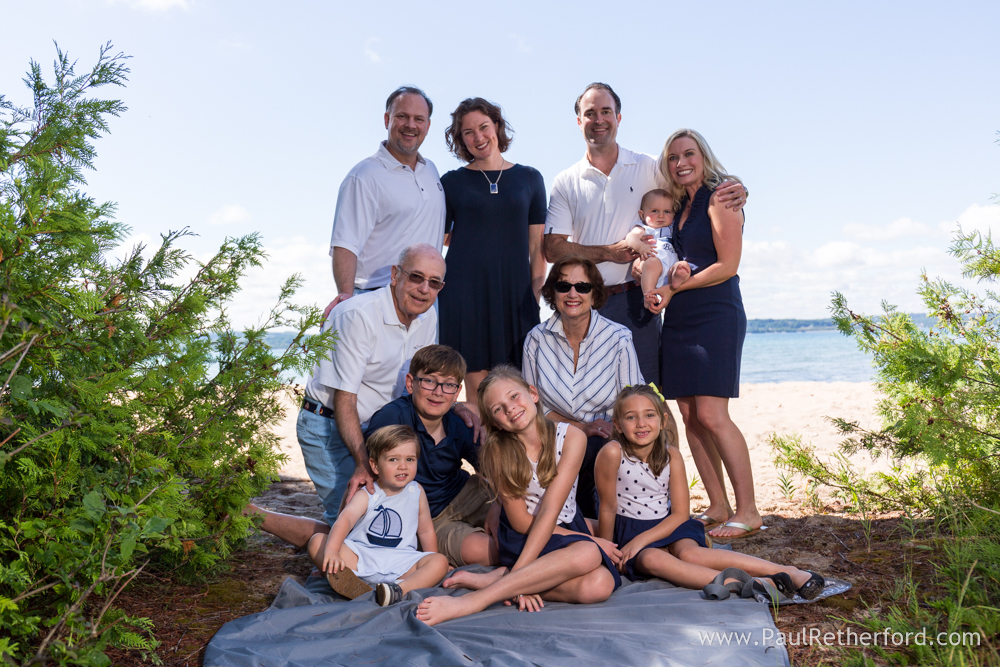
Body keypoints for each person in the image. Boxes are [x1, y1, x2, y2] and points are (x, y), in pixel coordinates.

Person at [543, 82, 747, 385]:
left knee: (649, 397)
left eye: (606, 111)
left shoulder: (651, 167)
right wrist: (610, 251)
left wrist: (737, 189)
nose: (599, 120)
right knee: (586, 396)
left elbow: (694, 183)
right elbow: (553, 249)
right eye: (590, 113)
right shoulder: (565, 181)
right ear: (578, 121)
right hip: (583, 303)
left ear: (618, 117)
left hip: (636, 301)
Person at [415, 366, 621, 627]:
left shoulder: (572, 437)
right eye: (498, 409)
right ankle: (474, 601)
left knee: (599, 585)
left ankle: (506, 579)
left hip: (562, 528)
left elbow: (552, 509)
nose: (510, 408)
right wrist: (585, 542)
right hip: (523, 538)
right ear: (495, 422)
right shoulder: (499, 454)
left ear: (532, 393)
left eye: (514, 396)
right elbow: (523, 522)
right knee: (590, 553)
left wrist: (579, 537)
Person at [595, 385, 825, 600]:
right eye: (631, 417)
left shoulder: (671, 456)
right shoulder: (613, 452)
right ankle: (754, 583)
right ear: (617, 425)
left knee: (691, 555)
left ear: (663, 420)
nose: (641, 423)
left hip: (668, 526)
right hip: (630, 531)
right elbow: (607, 507)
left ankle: (788, 572)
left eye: (649, 415)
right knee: (652, 559)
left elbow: (679, 514)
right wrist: (609, 553)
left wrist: (642, 540)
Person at [650, 129, 758, 539]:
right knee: (691, 416)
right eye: (673, 157)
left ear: (703, 156)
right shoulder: (679, 205)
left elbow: (727, 265)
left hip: (715, 313)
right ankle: (717, 504)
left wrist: (673, 288)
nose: (681, 162)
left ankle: (748, 510)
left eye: (689, 154)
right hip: (679, 317)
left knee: (713, 414)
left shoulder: (721, 196)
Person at [299, 244, 442, 525]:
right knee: (348, 521)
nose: (424, 289)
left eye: (434, 283)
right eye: (416, 277)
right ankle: (257, 516)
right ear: (394, 275)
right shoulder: (357, 315)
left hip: (380, 430)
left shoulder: (428, 316)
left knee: (384, 519)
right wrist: (363, 463)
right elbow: (345, 398)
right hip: (328, 425)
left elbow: (423, 381)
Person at [437, 98, 547, 404]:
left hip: (515, 297)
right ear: (460, 140)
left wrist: (534, 297)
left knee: (514, 393)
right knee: (476, 395)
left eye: (484, 127)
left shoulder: (530, 178)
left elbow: (537, 247)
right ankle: (480, 453)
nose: (479, 137)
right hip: (463, 297)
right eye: (468, 132)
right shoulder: (451, 182)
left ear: (497, 126)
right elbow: (441, 236)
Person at [521, 256, 647, 519]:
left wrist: (605, 430)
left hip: (607, 437)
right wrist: (580, 428)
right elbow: (531, 406)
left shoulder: (618, 338)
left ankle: (589, 529)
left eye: (583, 287)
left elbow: (634, 402)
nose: (573, 293)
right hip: (553, 438)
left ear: (595, 294)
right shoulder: (536, 340)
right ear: (552, 292)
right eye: (563, 286)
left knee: (596, 452)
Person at [364, 345, 497, 567]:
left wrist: (499, 506)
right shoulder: (392, 418)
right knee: (488, 551)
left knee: (523, 518)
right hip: (430, 519)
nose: (438, 391)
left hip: (467, 493)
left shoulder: (459, 422)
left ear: (457, 391)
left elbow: (493, 471)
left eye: (448, 385)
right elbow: (370, 478)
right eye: (429, 381)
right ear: (410, 383)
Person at [325, 86, 445, 317]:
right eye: (402, 116)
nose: (411, 125)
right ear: (387, 119)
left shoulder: (431, 171)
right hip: (377, 299)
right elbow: (345, 244)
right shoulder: (363, 176)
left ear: (428, 126)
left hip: (424, 302)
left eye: (418, 119)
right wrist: (347, 302)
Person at [308, 424, 449, 607]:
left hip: (400, 562)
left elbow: (425, 530)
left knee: (439, 562)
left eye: (410, 459)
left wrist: (429, 558)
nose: (402, 466)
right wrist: (333, 551)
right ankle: (349, 581)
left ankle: (398, 590)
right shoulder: (368, 494)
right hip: (361, 558)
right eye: (393, 460)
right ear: (374, 465)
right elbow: (345, 520)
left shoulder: (416, 491)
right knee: (317, 542)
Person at [622, 189, 692, 311]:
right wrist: (641, 247)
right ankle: (649, 294)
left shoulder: (673, 227)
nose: (661, 215)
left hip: (671, 267)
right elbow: (630, 238)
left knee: (683, 266)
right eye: (654, 211)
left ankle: (676, 280)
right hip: (655, 268)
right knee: (652, 263)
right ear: (642, 214)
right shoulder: (644, 227)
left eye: (667, 211)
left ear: (674, 215)